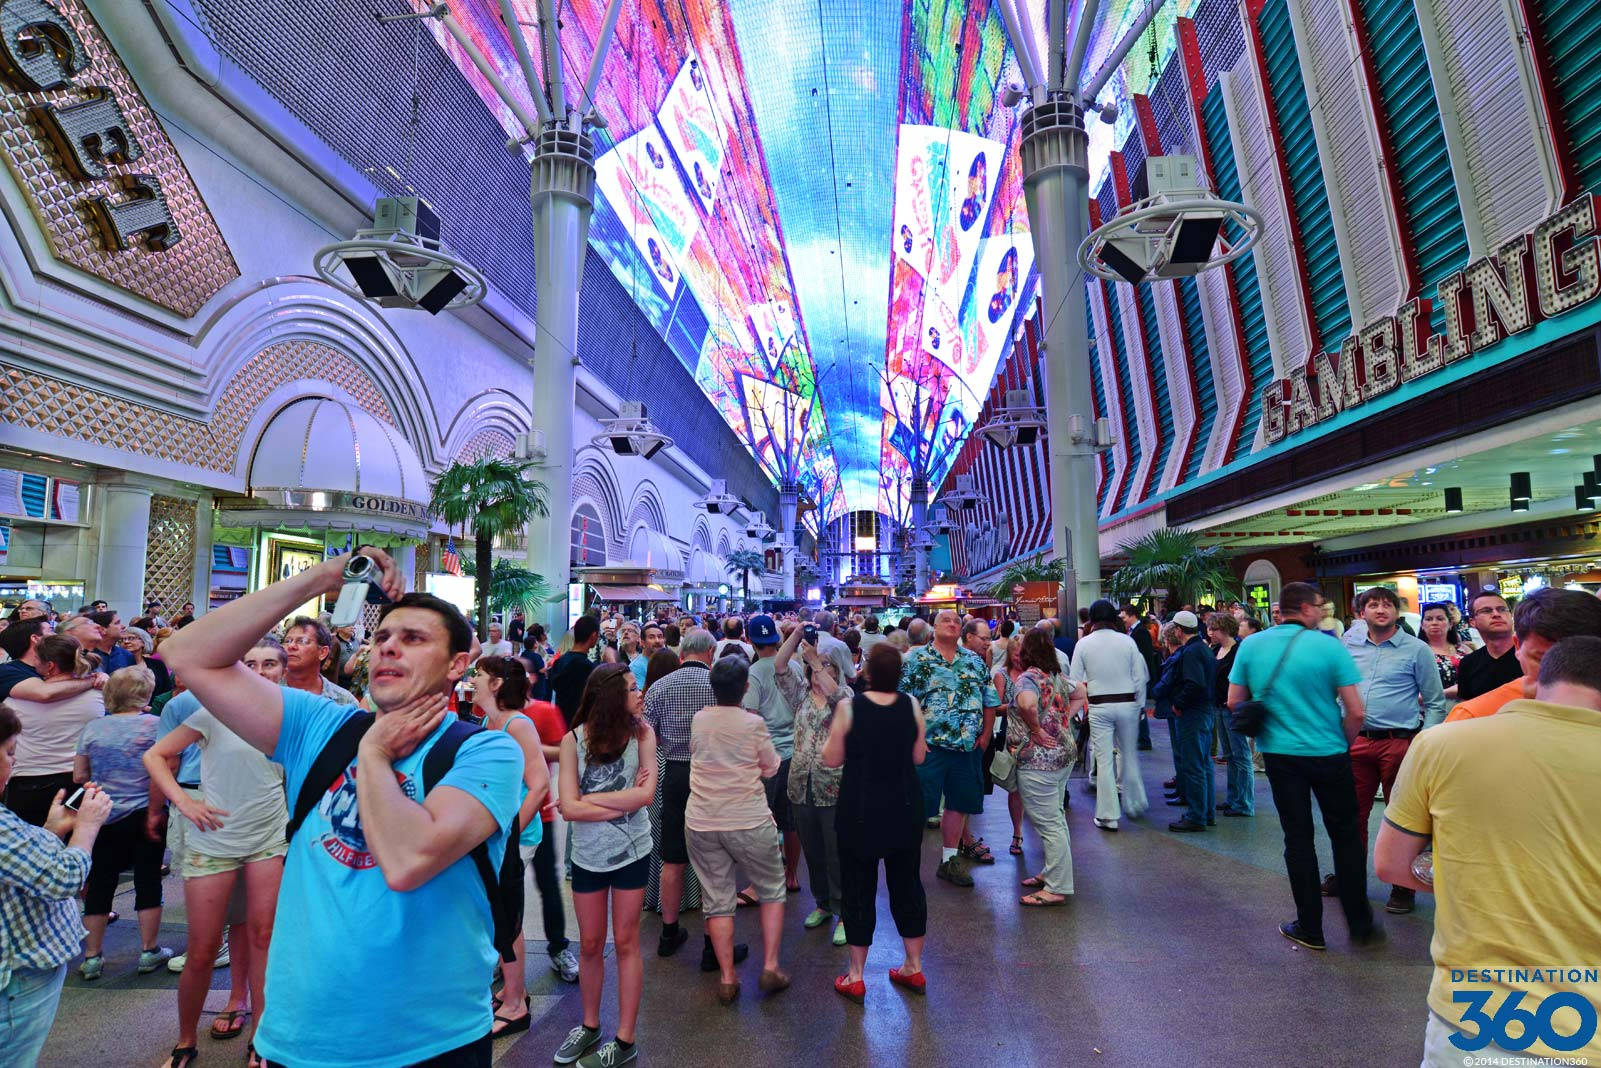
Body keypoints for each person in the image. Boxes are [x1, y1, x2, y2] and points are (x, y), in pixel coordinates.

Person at [159, 549, 524, 1068]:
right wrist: (322, 579)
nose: (389, 649)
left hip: (429, 1039)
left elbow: (407, 861)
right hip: (301, 1034)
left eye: (414, 639)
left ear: (457, 665)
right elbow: (187, 654)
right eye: (383, 639)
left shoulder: (483, 750)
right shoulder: (322, 726)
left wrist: (373, 754)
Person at [1374, 636, 1601, 1067]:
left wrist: (1468, 873)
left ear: (1533, 682)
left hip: (1471, 1020)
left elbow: (1392, 865)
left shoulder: (1441, 743)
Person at [142, 638, 289, 1067]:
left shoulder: (292, 715)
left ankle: (262, 1041)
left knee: (264, 940)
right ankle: (185, 1040)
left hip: (269, 839)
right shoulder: (214, 711)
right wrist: (182, 802)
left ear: (283, 669)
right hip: (213, 840)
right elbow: (156, 754)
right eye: (251, 663)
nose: (260, 671)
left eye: (269, 664)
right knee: (203, 948)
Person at [1227, 581, 1376, 951]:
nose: (1322, 613)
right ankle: (1360, 923)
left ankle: (1310, 927)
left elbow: (1234, 701)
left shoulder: (1252, 644)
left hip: (1281, 755)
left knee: (1298, 838)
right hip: (1329, 752)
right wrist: (1342, 742)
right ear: (1306, 609)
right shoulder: (1329, 646)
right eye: (1319, 608)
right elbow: (1356, 710)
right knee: (1345, 836)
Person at [0, 706, 113, 1067]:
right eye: (9, 752)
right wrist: (87, 828)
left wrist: (52, 829)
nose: (13, 763)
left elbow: (18, 866)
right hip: (17, 981)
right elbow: (62, 879)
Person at [555, 664, 655, 1067]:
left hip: (633, 850)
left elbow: (646, 797)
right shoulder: (572, 741)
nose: (640, 693)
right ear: (612, 696)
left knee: (627, 941)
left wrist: (584, 802)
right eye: (633, 688)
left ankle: (626, 1038)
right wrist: (622, 795)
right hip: (588, 856)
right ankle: (590, 1024)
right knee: (591, 943)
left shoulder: (642, 734)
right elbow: (569, 809)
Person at [824, 643, 928, 1001]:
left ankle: (856, 974)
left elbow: (832, 759)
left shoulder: (848, 708)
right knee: (907, 884)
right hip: (905, 806)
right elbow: (918, 756)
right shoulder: (911, 705)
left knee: (858, 888)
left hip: (859, 810)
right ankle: (913, 966)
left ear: (866, 672)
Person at [684, 656, 789, 1005]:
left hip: (702, 819)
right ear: (745, 688)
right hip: (749, 819)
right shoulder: (753, 723)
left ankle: (728, 977)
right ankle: (771, 965)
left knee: (717, 900)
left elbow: (695, 753)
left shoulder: (700, 720)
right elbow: (771, 767)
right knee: (772, 889)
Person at [1337, 588, 1449, 913]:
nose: (1381, 609)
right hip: (1356, 741)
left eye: (1387, 604)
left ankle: (1404, 885)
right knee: (1349, 814)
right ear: (1362, 613)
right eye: (1373, 604)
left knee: (1404, 817)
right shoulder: (1349, 647)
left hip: (1400, 743)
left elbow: (1435, 703)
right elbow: (1336, 691)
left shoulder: (1417, 650)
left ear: (1397, 612)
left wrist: (1423, 744)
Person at [468, 655, 550, 1039]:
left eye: (479, 675)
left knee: (508, 917)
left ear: (497, 683)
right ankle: (510, 989)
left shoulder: (518, 725)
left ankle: (516, 1003)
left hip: (514, 837)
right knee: (499, 911)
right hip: (495, 835)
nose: (473, 680)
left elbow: (539, 785)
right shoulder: (490, 721)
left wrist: (510, 830)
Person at [75, 665, 173, 979]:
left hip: (103, 814)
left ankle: (92, 956)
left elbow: (79, 775)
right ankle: (149, 950)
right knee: (148, 879)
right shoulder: (157, 726)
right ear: (144, 694)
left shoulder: (93, 728)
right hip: (147, 812)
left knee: (101, 882)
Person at [641, 629, 724, 965]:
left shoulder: (660, 687)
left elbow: (648, 734)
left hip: (674, 774)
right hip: (711, 775)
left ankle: (668, 932)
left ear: (681, 654)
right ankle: (711, 943)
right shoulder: (719, 686)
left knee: (672, 856)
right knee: (713, 860)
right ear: (711, 652)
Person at [900, 610, 999, 886]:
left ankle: (949, 860)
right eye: (946, 620)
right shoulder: (915, 660)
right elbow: (901, 702)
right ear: (934, 627)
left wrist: (987, 734)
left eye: (957, 621)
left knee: (959, 804)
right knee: (918, 807)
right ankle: (906, 863)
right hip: (930, 747)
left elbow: (989, 698)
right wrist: (912, 740)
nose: (953, 624)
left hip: (967, 746)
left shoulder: (973, 661)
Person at [1445, 588, 1601, 722]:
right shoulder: (1469, 714)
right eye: (1544, 659)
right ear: (1518, 645)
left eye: (1502, 609)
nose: (1496, 615)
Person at [2, 634, 106, 827]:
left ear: (50, 666)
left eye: (36, 659)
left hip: (29, 782)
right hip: (79, 782)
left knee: (30, 849)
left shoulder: (15, 699)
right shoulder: (98, 694)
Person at [787, 641, 850, 945]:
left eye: (826, 667)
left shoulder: (844, 699)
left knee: (837, 851)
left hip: (833, 785)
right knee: (812, 851)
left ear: (836, 672)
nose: (817, 672)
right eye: (814, 667)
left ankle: (845, 912)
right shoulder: (800, 696)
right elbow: (779, 668)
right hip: (801, 784)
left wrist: (814, 661)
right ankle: (823, 904)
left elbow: (838, 693)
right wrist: (797, 633)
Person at [1069, 600, 1149, 832]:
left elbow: (1074, 681)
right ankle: (1135, 802)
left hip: (1099, 706)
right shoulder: (1128, 641)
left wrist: (1079, 708)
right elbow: (1139, 678)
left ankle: (1108, 815)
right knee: (1128, 755)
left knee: (1104, 761)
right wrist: (1141, 706)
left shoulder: (1084, 644)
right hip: (1127, 705)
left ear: (1091, 619)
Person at [1008, 629, 1075, 904]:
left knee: (1049, 824)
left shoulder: (1029, 678)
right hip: (1063, 754)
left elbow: (1026, 702)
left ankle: (1056, 887)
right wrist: (1066, 717)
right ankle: (1053, 873)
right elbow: (1081, 690)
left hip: (1039, 761)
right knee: (1056, 818)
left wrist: (1035, 728)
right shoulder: (1055, 675)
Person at [744, 616, 805, 892]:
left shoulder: (753, 673)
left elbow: (752, 717)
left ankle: (763, 882)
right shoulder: (793, 665)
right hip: (794, 752)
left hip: (767, 758)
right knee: (791, 822)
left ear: (750, 640)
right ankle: (792, 875)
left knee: (763, 820)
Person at [524, 690, 580, 983]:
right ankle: (501, 953)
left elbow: (564, 750)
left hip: (539, 812)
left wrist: (529, 745)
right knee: (501, 889)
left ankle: (558, 947)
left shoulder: (544, 711)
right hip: (498, 813)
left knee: (548, 882)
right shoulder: (487, 717)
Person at [1163, 611, 1217, 833]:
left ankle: (1196, 815)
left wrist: (1179, 703)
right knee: (1204, 764)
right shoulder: (1203, 648)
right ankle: (1206, 812)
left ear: (1178, 630)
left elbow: (1194, 683)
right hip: (1205, 711)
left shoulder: (1191, 652)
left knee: (1194, 765)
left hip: (1193, 714)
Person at [1208, 614, 1253, 817]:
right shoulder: (1216, 649)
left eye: (1214, 629)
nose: (1210, 633)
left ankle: (1244, 802)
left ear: (1225, 629)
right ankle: (1233, 798)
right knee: (1230, 755)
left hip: (1232, 708)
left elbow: (1247, 677)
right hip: (1219, 706)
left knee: (1240, 755)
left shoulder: (1238, 650)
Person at [1452, 592, 1519, 701]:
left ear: (1511, 616)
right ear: (1472, 622)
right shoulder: (1468, 663)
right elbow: (1468, 706)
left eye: (1502, 609)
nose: (1496, 614)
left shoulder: (1532, 655)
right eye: (1486, 611)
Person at [994, 636, 1027, 855]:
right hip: (1012, 735)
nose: (1019, 659)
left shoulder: (1035, 674)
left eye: (1023, 655)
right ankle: (1017, 832)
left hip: (1034, 734)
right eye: (1016, 655)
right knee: (1015, 788)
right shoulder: (1002, 675)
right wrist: (1018, 707)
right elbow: (996, 707)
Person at [279, 617, 357, 705]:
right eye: (287, 641)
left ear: (322, 652)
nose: (291, 646)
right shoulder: (267, 691)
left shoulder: (344, 702)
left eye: (302, 641)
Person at [550, 616, 600, 727]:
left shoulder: (560, 662)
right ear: (593, 636)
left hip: (561, 722)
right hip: (578, 725)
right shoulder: (585, 666)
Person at [1121, 605, 1159, 751]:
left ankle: (1143, 739)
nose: (1122, 620)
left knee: (1139, 707)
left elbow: (1145, 655)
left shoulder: (1140, 632)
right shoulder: (1134, 632)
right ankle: (1141, 738)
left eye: (1124, 617)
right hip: (1138, 675)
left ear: (1132, 616)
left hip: (1140, 675)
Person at [1419, 602, 1462, 700]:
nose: (1434, 623)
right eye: (1429, 619)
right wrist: (1447, 693)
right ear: (1422, 625)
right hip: (1430, 709)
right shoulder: (1415, 653)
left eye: (1440, 618)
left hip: (1467, 708)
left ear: (1450, 624)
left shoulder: (1464, 650)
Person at [118, 625, 173, 697]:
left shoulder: (157, 665)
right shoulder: (118, 665)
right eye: (122, 640)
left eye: (131, 638)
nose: (126, 642)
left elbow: (167, 691)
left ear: (143, 642)